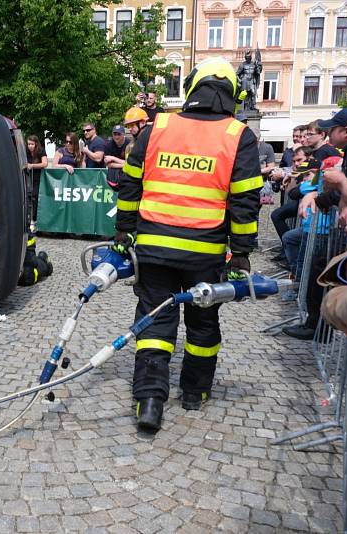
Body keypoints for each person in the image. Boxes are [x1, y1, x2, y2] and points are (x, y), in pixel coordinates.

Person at [114, 57, 262, 432]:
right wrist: (241, 253)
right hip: (205, 253)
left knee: (155, 319)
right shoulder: (238, 135)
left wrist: (124, 230)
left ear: (191, 89)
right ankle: (195, 392)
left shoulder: (157, 126)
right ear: (233, 94)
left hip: (153, 248)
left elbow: (130, 182)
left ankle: (149, 400)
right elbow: (245, 200)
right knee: (202, 324)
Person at [25, 135, 47, 222]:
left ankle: (35, 219)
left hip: (38, 178)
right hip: (27, 178)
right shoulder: (26, 152)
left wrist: (32, 165)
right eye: (28, 144)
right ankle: (29, 219)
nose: (30, 146)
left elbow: (45, 164)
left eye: (32, 144)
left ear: (36, 144)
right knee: (28, 198)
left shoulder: (41, 151)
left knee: (36, 197)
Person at [104, 125, 129, 189]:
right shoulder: (108, 145)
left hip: (127, 175)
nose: (116, 136)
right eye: (115, 134)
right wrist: (124, 164)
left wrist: (113, 158)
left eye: (119, 134)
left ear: (123, 134)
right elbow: (108, 164)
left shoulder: (129, 144)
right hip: (113, 176)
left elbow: (130, 163)